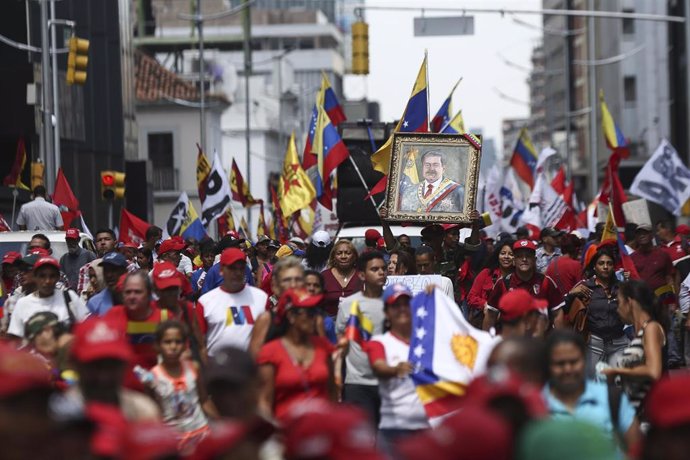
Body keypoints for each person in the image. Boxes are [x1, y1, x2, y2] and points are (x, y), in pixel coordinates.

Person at [543, 330, 639, 452]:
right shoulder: (536, 404)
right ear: (548, 365)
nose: (567, 369)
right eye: (560, 364)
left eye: (574, 362)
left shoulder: (612, 398)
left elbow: (636, 449)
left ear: (584, 361)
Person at [257, 289, 336, 420]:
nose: (314, 317)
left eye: (315, 311)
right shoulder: (270, 352)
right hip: (286, 431)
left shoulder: (323, 346)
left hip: (322, 430)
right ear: (291, 316)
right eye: (309, 313)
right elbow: (264, 402)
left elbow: (332, 391)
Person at [366, 284, 429, 443]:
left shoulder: (427, 342)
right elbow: (378, 366)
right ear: (386, 312)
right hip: (395, 429)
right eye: (396, 305)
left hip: (428, 427)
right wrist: (395, 370)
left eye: (406, 304)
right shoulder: (379, 342)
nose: (402, 309)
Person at [67, 316, 160, 421]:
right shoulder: (58, 417)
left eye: (112, 366)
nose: (104, 377)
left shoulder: (143, 412)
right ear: (74, 364)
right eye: (95, 366)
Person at [601, 280, 666, 419]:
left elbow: (653, 371)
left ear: (629, 302)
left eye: (618, 302)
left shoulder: (651, 328)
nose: (617, 309)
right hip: (634, 415)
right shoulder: (640, 333)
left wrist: (615, 371)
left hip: (649, 415)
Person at [336, 250, 387, 425]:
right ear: (362, 275)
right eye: (375, 269)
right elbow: (340, 345)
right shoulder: (349, 305)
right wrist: (337, 379)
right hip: (356, 384)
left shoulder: (395, 303)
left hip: (387, 383)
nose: (381, 272)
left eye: (383, 268)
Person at [143, 320, 210, 452]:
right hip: (173, 440)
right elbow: (153, 412)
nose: (173, 347)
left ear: (185, 345)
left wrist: (223, 421)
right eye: (167, 342)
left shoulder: (193, 367)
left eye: (178, 342)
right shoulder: (152, 377)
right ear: (157, 345)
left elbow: (204, 400)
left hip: (201, 433)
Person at [564, 247, 628, 378]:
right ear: (594, 266)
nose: (605, 267)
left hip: (619, 343)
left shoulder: (621, 287)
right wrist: (571, 294)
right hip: (594, 344)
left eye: (609, 263)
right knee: (592, 382)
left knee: (619, 382)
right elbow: (562, 308)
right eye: (601, 263)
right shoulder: (585, 287)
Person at [105, 270, 172, 390]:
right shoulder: (112, 315)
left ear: (149, 293)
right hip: (123, 391)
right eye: (128, 292)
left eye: (137, 292)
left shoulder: (165, 317)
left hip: (159, 388)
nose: (132, 297)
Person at [198, 248, 267, 356]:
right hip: (217, 368)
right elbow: (200, 345)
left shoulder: (261, 298)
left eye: (241, 268)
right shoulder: (205, 302)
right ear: (221, 270)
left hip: (251, 368)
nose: (237, 273)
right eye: (232, 268)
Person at [484, 240, 565, 333]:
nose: (524, 259)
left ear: (534, 260)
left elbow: (557, 313)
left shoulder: (546, 282)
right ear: (514, 261)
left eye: (528, 256)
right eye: (519, 256)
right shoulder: (503, 283)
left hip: (539, 343)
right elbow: (491, 315)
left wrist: (559, 341)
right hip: (512, 342)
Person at [8, 256, 87, 339]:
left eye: (52, 276)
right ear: (36, 277)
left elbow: (85, 328)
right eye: (42, 276)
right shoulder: (22, 303)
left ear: (58, 278)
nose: (47, 281)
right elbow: (15, 339)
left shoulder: (70, 298)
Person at [248, 256, 305, 357]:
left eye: (297, 279)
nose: (293, 285)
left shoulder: (314, 318)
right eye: (287, 280)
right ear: (275, 286)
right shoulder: (265, 319)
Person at [468, 238, 515, 326]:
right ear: (498, 255)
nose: (506, 257)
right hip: (484, 321)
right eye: (503, 253)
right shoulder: (486, 273)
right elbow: (471, 297)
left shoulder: (518, 278)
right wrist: (485, 305)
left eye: (511, 254)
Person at [204, 347, 259, 420]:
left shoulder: (272, 429)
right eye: (217, 389)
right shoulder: (217, 429)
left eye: (233, 388)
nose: (226, 398)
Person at [399, 150, 464, 213]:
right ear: (423, 167)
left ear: (443, 169)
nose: (431, 169)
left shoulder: (457, 191)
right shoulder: (409, 191)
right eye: (427, 165)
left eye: (435, 165)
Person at [321, 239, 362, 317]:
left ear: (354, 256)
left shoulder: (362, 275)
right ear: (333, 257)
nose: (343, 256)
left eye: (348, 253)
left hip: (356, 322)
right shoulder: (324, 276)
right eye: (339, 253)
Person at [77, 228, 118, 295]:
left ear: (115, 243)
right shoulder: (86, 269)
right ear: (95, 245)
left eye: (107, 239)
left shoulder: (128, 266)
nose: (103, 242)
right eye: (99, 240)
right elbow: (82, 297)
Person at [86, 252, 128, 316]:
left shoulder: (139, 297)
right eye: (106, 270)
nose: (109, 275)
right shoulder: (94, 303)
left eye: (114, 270)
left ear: (125, 271)